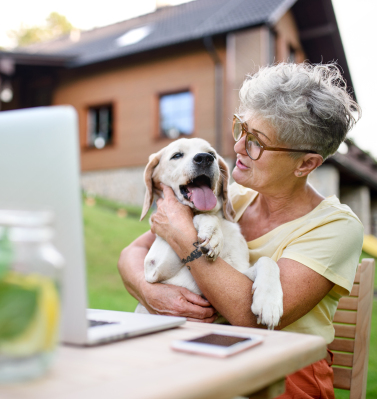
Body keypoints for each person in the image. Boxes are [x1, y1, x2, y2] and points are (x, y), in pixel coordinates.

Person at [117, 62, 364, 399]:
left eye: (256, 142)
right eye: (241, 130)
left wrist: (183, 237)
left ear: (305, 164)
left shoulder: (336, 227)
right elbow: (131, 253)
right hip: (202, 355)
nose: (237, 149)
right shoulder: (227, 197)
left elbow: (251, 317)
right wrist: (152, 296)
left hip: (286, 374)